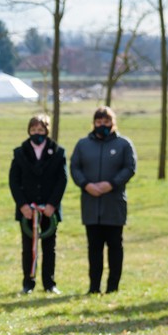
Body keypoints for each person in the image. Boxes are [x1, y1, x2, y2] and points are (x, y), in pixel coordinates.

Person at [70, 106, 136, 294]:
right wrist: (86, 184)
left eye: (106, 121)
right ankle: (94, 287)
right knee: (94, 248)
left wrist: (112, 184)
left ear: (113, 123)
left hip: (113, 204)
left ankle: (113, 287)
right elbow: (75, 167)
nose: (102, 125)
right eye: (99, 121)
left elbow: (129, 168)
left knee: (115, 246)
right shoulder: (83, 144)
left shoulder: (123, 144)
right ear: (94, 123)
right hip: (91, 205)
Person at [8, 114, 67, 294]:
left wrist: (52, 205)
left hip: (49, 209)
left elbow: (62, 180)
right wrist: (23, 205)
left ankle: (49, 283)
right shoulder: (20, 153)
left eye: (40, 130)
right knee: (28, 248)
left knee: (49, 247)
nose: (37, 133)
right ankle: (28, 283)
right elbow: (14, 181)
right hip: (28, 209)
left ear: (46, 131)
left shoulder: (57, 152)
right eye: (33, 130)